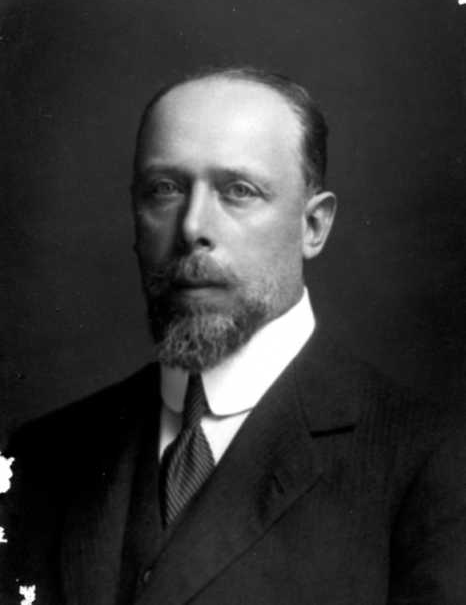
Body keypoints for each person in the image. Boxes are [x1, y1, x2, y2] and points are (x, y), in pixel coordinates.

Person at [1, 66, 465, 605]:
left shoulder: (434, 461)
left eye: (239, 191)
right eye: (165, 189)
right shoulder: (39, 456)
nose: (192, 227)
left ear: (313, 226)